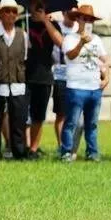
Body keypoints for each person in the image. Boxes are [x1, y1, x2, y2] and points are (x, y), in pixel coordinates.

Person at [60, 5, 108, 162]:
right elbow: (70, 56)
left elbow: (104, 60)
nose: (88, 22)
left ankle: (92, 153)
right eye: (85, 19)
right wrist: (81, 42)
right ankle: (66, 152)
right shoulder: (70, 38)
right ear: (77, 19)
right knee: (71, 122)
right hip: (76, 87)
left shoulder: (97, 39)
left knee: (92, 124)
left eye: (90, 20)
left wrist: (106, 77)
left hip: (94, 87)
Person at [26, 0, 63, 159]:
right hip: (23, 75)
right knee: (20, 114)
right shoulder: (23, 22)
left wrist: (45, 21)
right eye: (35, 2)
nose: (38, 6)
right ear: (29, 4)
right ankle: (22, 146)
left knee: (38, 115)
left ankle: (33, 149)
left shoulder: (53, 24)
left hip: (44, 76)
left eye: (41, 3)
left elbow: (61, 43)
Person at [0, 0, 28, 160]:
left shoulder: (23, 35)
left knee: (19, 120)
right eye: (7, 11)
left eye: (14, 11)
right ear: (0, 14)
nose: (11, 14)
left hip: (18, 83)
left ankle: (19, 153)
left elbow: (25, 59)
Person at [51, 9, 78, 148]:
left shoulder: (80, 28)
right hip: (60, 73)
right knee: (61, 113)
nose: (72, 17)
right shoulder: (56, 27)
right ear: (63, 13)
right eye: (69, 13)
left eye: (75, 14)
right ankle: (61, 145)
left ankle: (72, 145)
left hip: (76, 74)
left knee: (75, 113)